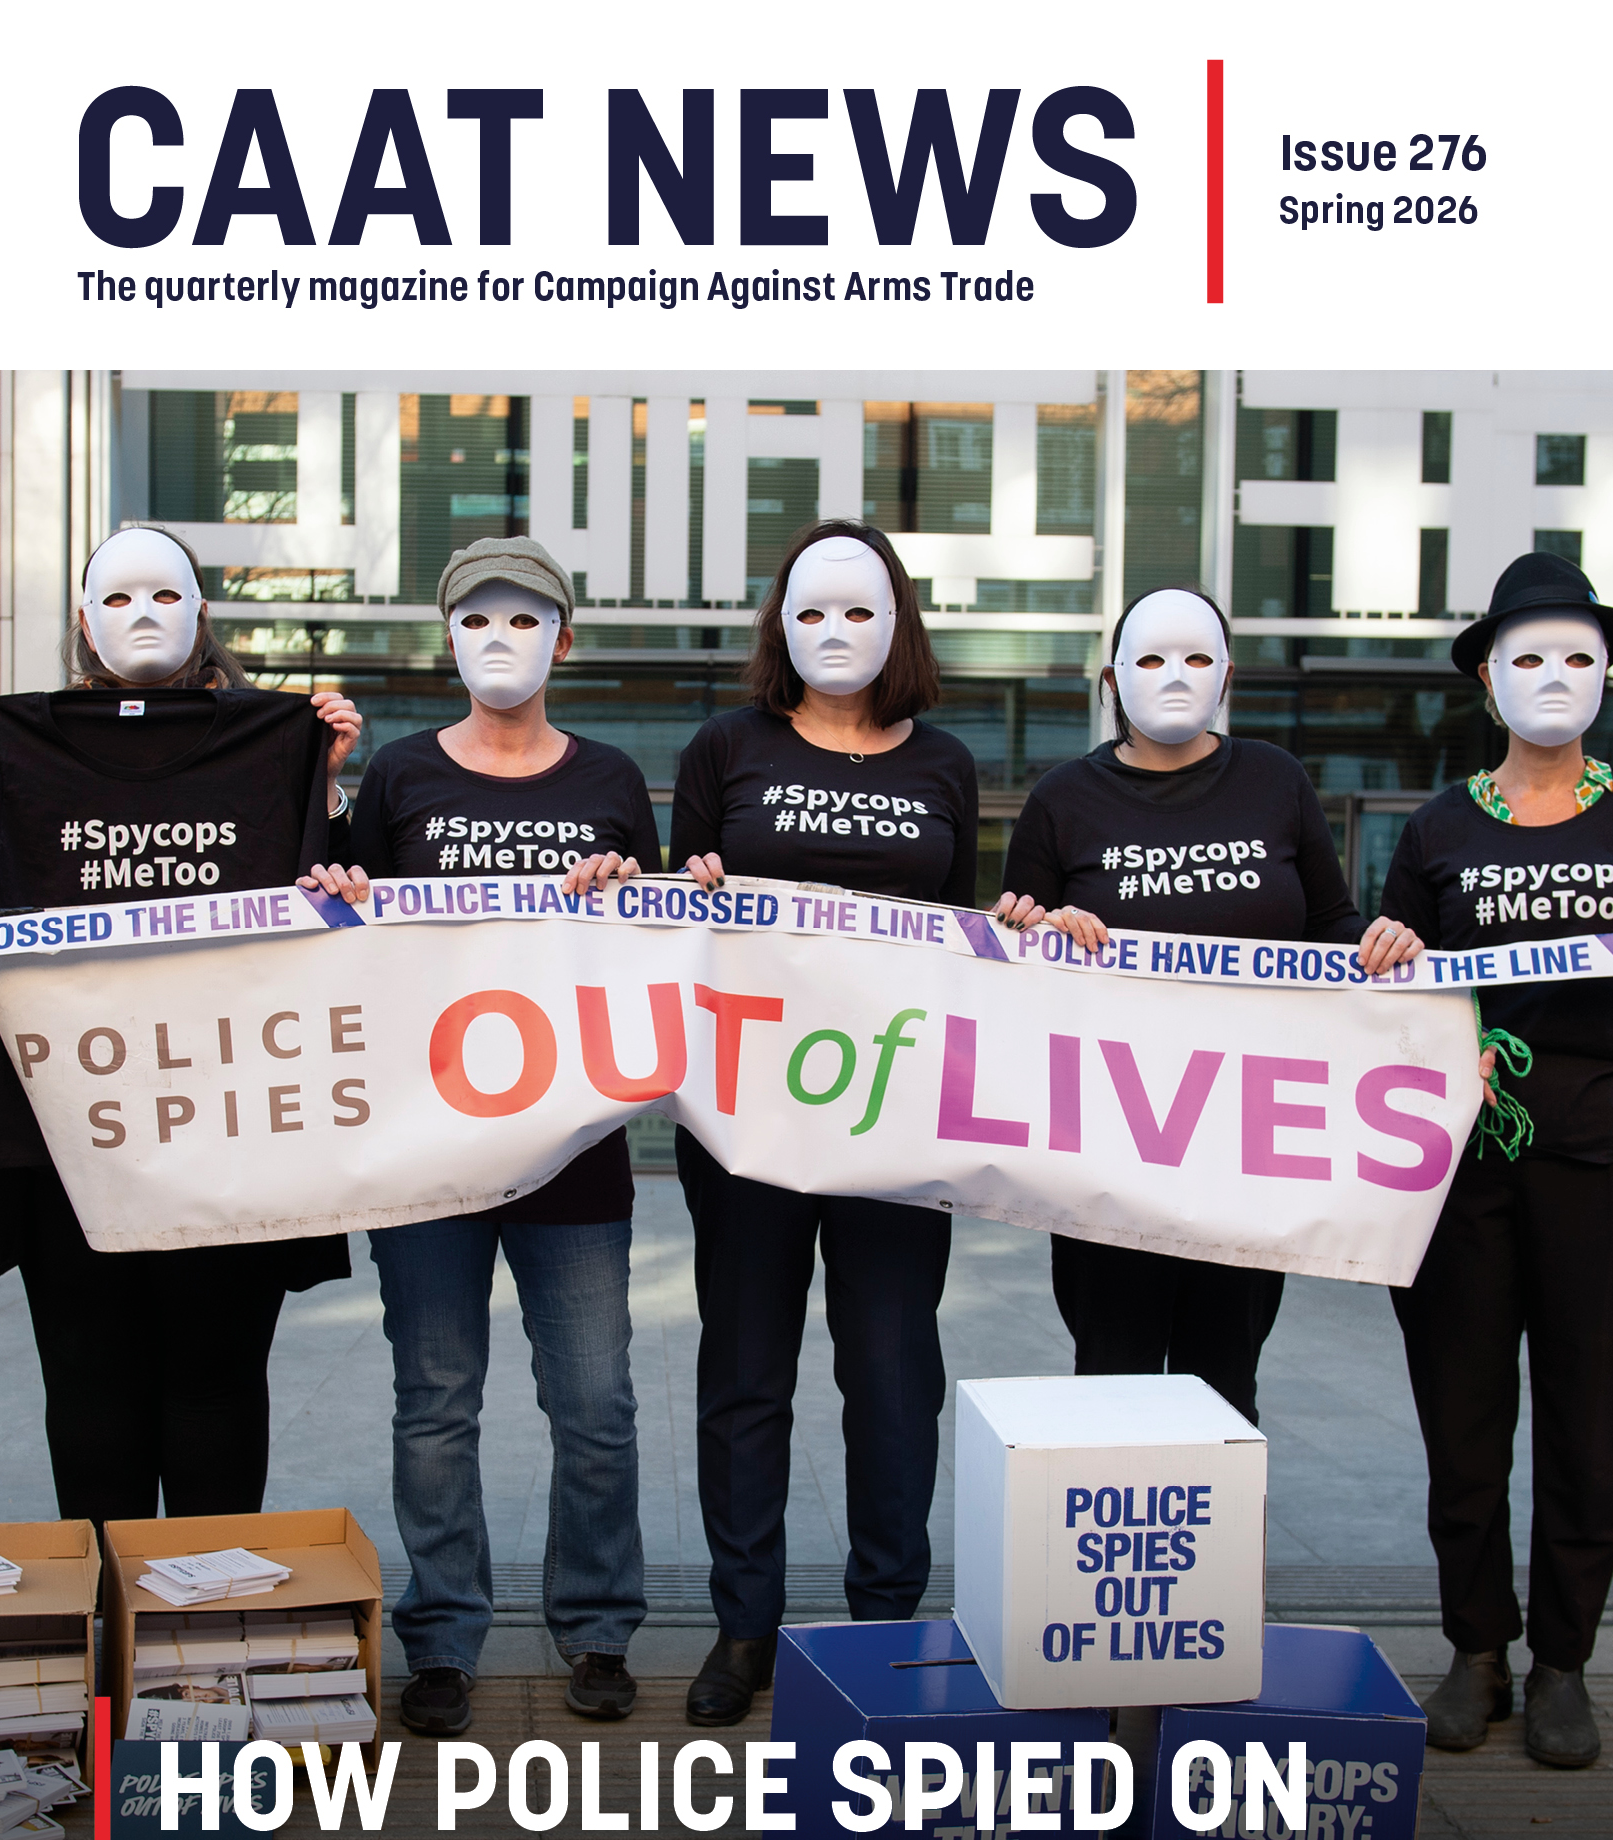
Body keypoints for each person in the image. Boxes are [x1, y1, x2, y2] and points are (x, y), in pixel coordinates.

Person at [305, 537, 657, 1738]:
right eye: (477, 619)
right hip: (430, 1146)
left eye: (525, 619)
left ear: (565, 638)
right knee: (434, 1401)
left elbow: (650, 962)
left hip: (574, 1153)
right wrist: (333, 840)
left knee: (596, 1402)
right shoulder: (400, 777)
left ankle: (600, 1627)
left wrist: (627, 893)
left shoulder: (611, 779)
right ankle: (443, 1637)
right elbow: (333, 928)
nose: (500, 639)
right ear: (446, 638)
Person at [0, 522, 361, 1535]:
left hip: (228, 1126)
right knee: (90, 1391)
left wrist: (320, 782)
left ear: (203, 613)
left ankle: (196, 1634)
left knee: (217, 1384)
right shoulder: (10, 752)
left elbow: (337, 909)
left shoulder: (274, 744)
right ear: (80, 620)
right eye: (116, 598)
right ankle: (112, 1649)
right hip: (71, 1133)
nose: (142, 614)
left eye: (163, 594)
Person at [669, 519, 979, 1725]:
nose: (835, 632)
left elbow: (962, 944)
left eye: (858, 610)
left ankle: (882, 1622)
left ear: (897, 619)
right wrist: (678, 887)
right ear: (778, 624)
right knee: (745, 1373)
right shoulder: (724, 745)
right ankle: (743, 1627)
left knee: (894, 1374)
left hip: (899, 1122)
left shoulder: (944, 762)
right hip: (745, 1118)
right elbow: (672, 920)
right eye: (810, 612)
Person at [997, 585, 1421, 1422]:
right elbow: (1011, 961)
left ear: (1227, 675)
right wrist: (1040, 929)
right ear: (1110, 682)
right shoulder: (1060, 801)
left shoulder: (1277, 780)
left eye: (1196, 658)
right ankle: (1118, 1548)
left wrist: (1383, 950)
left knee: (1225, 1378)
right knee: (1111, 1373)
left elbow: (1331, 924)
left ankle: (1213, 1553)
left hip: (1245, 1146)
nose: (1176, 676)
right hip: (1108, 1151)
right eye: (1151, 659)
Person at [1379, 551, 1613, 1769]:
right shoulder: (1432, 827)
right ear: (1488, 679)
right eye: (1527, 654)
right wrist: (1382, 950)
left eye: (1577, 655)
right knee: (1463, 1415)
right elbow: (1385, 998)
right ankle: (1475, 1646)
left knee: (1591, 1421)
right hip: (1456, 1178)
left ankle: (1564, 1662)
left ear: (1606, 673)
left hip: (1610, 1167)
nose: (1554, 674)